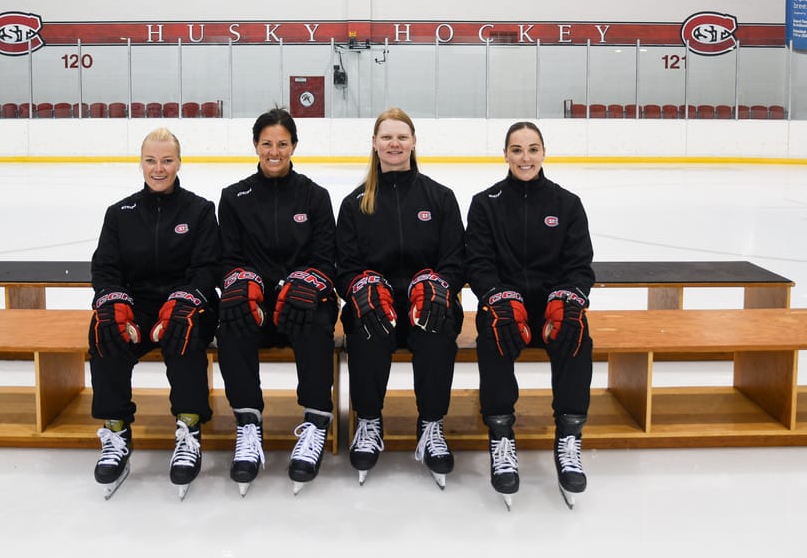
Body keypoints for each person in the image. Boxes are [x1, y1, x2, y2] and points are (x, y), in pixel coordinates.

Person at [464, 121, 595, 509]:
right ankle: (501, 435)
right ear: (505, 154)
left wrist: (570, 297)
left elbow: (581, 265)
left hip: (550, 308)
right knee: (494, 334)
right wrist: (496, 297)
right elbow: (479, 263)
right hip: (507, 306)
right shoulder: (485, 203)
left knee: (576, 334)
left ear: (543, 153)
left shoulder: (567, 203)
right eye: (517, 150)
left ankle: (569, 436)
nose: (525, 157)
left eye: (532, 149)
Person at [335, 107, 466, 488]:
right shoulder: (355, 203)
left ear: (413, 142)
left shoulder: (440, 198)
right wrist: (360, 290)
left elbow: (456, 259)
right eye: (387, 137)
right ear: (375, 144)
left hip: (427, 305)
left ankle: (431, 425)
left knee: (436, 331)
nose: (394, 144)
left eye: (402, 137)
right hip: (378, 306)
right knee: (368, 327)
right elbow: (344, 267)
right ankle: (369, 422)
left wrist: (440, 288)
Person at [88, 127, 220, 500]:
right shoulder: (120, 214)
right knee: (104, 330)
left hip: (185, 304)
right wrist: (115, 302)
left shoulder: (199, 210)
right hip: (137, 306)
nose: (158, 168)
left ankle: (189, 428)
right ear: (141, 162)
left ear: (179, 162)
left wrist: (185, 300)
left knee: (184, 331)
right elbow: (105, 269)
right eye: (151, 160)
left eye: (166, 160)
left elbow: (207, 268)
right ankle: (115, 431)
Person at [216, 108, 339, 496]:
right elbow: (227, 259)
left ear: (294, 147)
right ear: (255, 146)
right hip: (257, 305)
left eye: (282, 144)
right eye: (267, 143)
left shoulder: (314, 197)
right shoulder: (234, 197)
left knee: (317, 326)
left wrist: (309, 283)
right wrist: (241, 283)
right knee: (231, 324)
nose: (274, 151)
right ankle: (248, 424)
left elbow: (326, 259)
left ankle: (316, 423)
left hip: (302, 303)